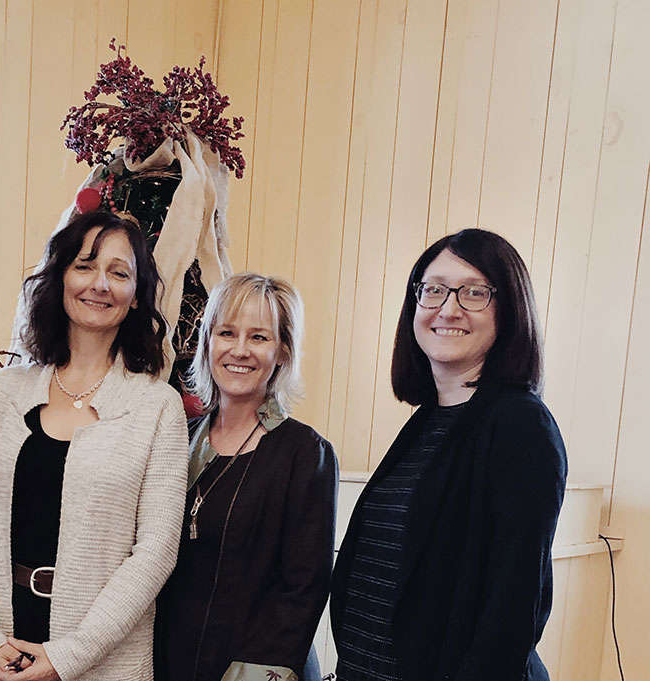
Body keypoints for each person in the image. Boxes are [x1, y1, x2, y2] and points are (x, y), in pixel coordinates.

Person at [0, 211, 189, 681]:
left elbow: (157, 549)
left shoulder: (158, 406)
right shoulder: (3, 391)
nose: (100, 283)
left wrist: (68, 656)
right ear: (60, 277)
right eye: (84, 265)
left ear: (138, 296)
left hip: (104, 659)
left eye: (119, 273)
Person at [330, 228, 568, 681]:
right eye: (434, 290)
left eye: (474, 292)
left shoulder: (521, 426)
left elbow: (512, 610)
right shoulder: (427, 421)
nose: (448, 308)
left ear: (510, 309)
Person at [154, 272, 339, 681]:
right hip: (171, 661)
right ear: (207, 342)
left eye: (259, 337)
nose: (239, 350)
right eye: (227, 333)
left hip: (256, 668)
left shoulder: (306, 453)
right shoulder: (178, 438)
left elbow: (302, 590)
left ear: (283, 352)